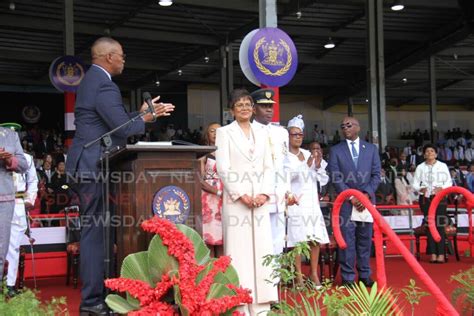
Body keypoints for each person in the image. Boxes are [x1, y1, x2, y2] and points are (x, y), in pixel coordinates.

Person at [66, 37, 175, 315]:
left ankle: (100, 297)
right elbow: (124, 130)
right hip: (93, 166)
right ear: (109, 57)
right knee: (95, 235)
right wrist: (147, 119)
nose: (124, 60)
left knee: (101, 234)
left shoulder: (94, 80)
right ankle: (92, 301)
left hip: (91, 164)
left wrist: (139, 114)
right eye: (122, 55)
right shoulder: (104, 83)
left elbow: (112, 122)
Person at [216, 89, 277, 315]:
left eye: (247, 104)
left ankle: (262, 303)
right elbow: (223, 167)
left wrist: (264, 194)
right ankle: (239, 302)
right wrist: (241, 194)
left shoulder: (263, 132)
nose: (243, 108)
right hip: (237, 201)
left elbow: (269, 166)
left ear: (253, 109)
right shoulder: (224, 133)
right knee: (238, 251)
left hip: (260, 200)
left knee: (262, 248)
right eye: (239, 104)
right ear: (231, 110)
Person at [328, 116, 381, 287]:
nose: (345, 128)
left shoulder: (371, 149)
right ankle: (348, 277)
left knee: (365, 239)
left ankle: (365, 274)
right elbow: (335, 176)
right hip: (346, 203)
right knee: (347, 241)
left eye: (349, 125)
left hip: (366, 202)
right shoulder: (336, 150)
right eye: (343, 126)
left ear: (358, 127)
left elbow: (376, 175)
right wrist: (351, 196)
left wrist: (365, 195)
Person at [284, 115, 329, 289]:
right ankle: (298, 277)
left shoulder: (308, 153)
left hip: (312, 203)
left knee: (314, 238)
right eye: (294, 134)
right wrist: (305, 165)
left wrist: (317, 166)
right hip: (296, 203)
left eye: (300, 135)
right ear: (288, 136)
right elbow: (288, 177)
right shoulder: (285, 156)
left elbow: (323, 179)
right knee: (297, 240)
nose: (297, 137)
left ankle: (314, 274)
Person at [250, 88, 290, 255]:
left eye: (270, 106)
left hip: (279, 193)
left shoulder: (281, 132)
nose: (268, 110)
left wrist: (288, 190)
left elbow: (285, 164)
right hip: (258, 193)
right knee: (258, 239)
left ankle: (275, 279)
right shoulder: (248, 131)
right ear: (253, 109)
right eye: (264, 106)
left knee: (278, 238)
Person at [1, 123, 38, 297]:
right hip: (5, 198)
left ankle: (9, 284)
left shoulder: (28, 159)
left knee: (13, 246)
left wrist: (30, 200)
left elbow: (33, 181)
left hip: (18, 203)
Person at [412, 144, 452, 263]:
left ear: (436, 154)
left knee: (439, 224)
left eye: (432, 151)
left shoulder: (442, 166)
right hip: (425, 199)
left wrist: (442, 188)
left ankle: (441, 254)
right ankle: (433, 253)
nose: (430, 153)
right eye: (427, 151)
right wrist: (420, 189)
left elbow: (449, 182)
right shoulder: (420, 167)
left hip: (439, 198)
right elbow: (414, 184)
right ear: (424, 154)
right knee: (429, 224)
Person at [0, 124, 28, 288]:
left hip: (5, 200)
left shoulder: (10, 134)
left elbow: (24, 165)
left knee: (1, 251)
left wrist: (9, 159)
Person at [200, 122, 223, 256]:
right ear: (207, 135)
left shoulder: (229, 152)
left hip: (226, 197)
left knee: (224, 239)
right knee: (210, 238)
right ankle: (211, 274)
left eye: (219, 131)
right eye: (212, 131)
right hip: (209, 199)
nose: (216, 134)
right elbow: (200, 180)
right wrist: (218, 192)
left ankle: (223, 273)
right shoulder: (203, 153)